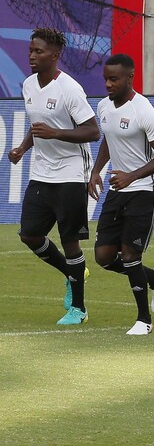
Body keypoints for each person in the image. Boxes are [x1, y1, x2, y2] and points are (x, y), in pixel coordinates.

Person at [9, 27, 99, 325]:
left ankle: (79, 309)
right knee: (29, 234)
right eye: (31, 50)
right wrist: (22, 148)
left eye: (39, 51)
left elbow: (93, 131)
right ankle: (72, 272)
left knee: (70, 241)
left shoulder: (69, 89)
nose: (32, 56)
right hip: (41, 171)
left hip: (71, 172)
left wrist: (56, 133)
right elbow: (38, 125)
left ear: (55, 55)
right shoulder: (29, 85)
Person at [86, 54, 154, 335]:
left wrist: (132, 175)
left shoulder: (143, 111)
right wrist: (96, 170)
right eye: (106, 79)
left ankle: (143, 320)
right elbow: (109, 138)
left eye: (114, 79)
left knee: (129, 255)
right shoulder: (103, 106)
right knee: (103, 257)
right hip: (118, 190)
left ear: (130, 77)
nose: (108, 84)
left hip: (144, 192)